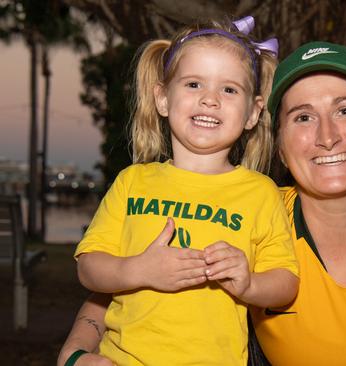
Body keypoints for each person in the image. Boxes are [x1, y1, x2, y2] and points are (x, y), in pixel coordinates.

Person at [58, 42, 346, 366]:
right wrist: (74, 354)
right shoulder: (257, 207)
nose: (328, 136)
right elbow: (112, 294)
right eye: (303, 117)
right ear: (279, 145)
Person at [63, 16, 299, 366]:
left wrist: (248, 283)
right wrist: (139, 270)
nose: (210, 100)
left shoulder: (260, 192)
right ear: (162, 98)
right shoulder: (132, 182)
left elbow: (285, 284)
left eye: (229, 89)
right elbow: (88, 267)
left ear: (253, 112)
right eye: (193, 84)